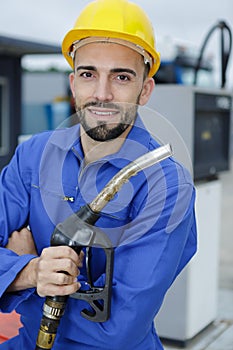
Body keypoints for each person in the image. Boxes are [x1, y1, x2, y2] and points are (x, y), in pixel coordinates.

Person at [0, 0, 197, 349]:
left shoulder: (167, 187)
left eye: (121, 77)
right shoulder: (33, 155)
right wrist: (32, 272)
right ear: (74, 84)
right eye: (89, 74)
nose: (102, 94)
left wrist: (18, 278)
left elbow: (119, 329)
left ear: (145, 90)